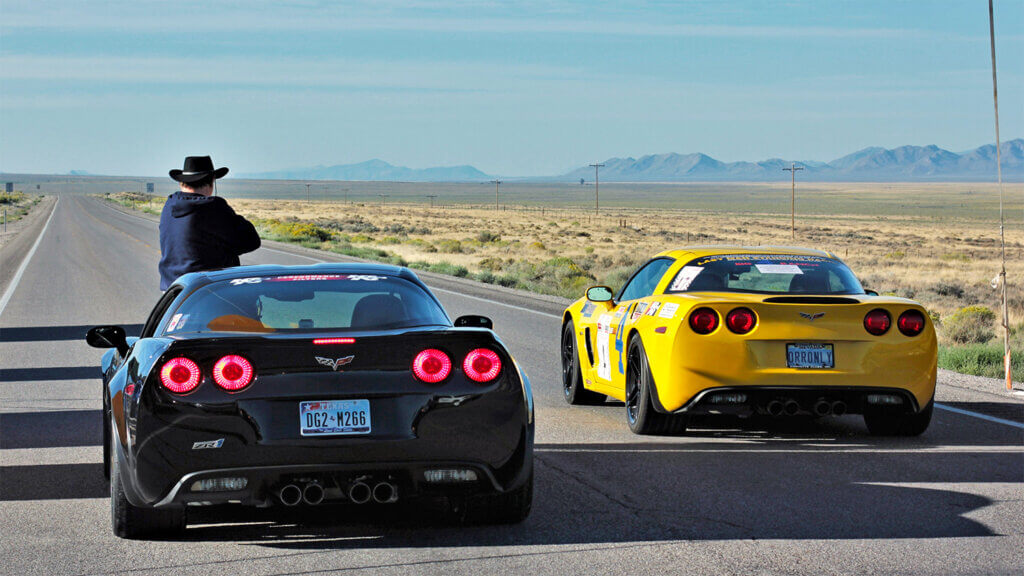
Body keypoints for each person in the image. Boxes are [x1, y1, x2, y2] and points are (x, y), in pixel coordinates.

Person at [158, 156, 261, 290]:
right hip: (206, 290)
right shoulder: (213, 207)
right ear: (212, 182)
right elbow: (252, 240)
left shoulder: (169, 205)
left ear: (181, 183)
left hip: (171, 291)